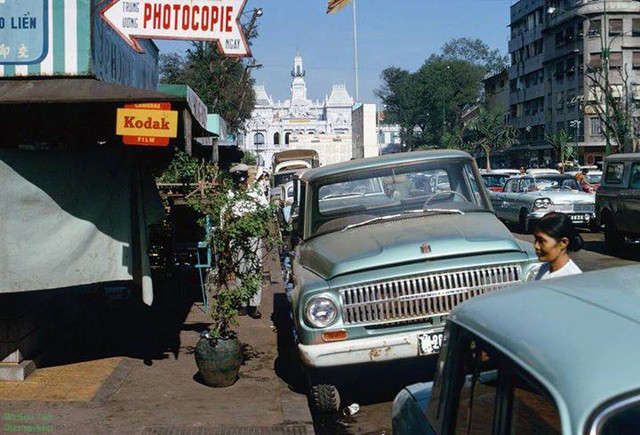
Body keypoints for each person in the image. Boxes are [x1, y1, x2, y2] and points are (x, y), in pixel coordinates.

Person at [228, 163, 269, 319]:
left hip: (253, 233)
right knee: (240, 268)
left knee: (255, 268)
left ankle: (254, 305)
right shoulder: (231, 194)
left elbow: (265, 209)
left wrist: (253, 218)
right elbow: (225, 213)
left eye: (242, 180)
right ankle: (243, 303)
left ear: (247, 178)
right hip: (237, 233)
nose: (240, 184)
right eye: (237, 181)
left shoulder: (257, 191)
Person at [533, 212, 584, 280]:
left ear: (563, 242)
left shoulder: (572, 279)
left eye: (541, 241)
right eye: (536, 239)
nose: (536, 246)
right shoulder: (543, 269)